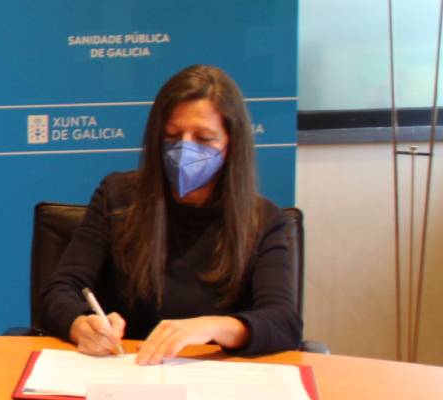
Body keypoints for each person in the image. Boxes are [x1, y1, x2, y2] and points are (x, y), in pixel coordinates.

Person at [37, 64, 301, 364]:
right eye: (172, 135)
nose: (184, 149)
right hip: (124, 374)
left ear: (231, 144)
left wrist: (212, 326)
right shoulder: (117, 196)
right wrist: (80, 324)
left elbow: (284, 322)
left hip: (212, 378)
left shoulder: (263, 220)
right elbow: (59, 291)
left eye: (204, 139)